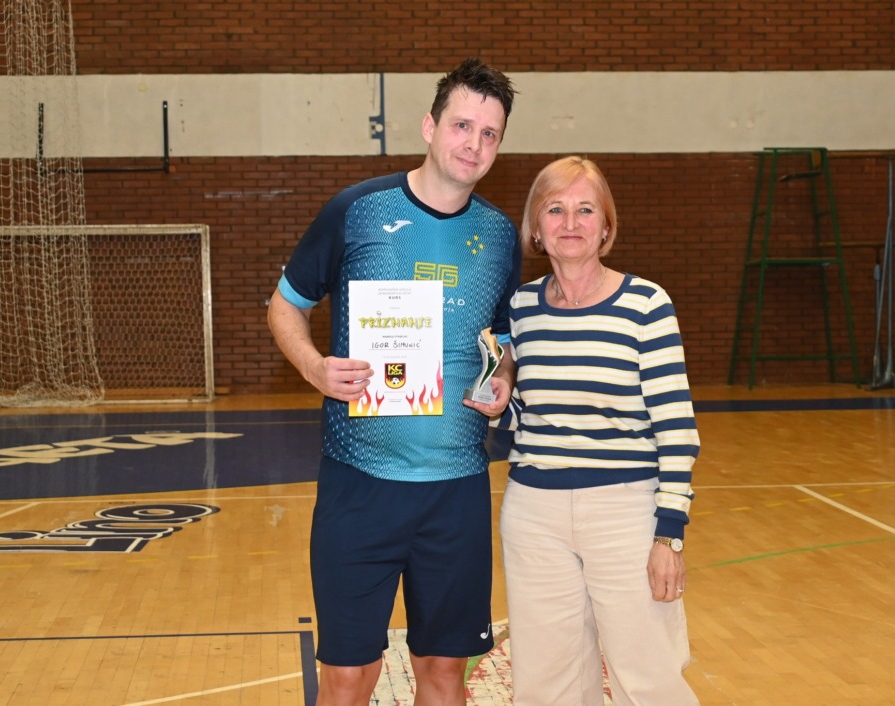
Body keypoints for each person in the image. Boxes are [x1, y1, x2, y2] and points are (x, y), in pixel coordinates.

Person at [267, 58, 519, 706]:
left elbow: (500, 338)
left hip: (456, 492)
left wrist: (502, 379)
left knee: (443, 671)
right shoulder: (356, 210)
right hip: (360, 488)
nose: (473, 143)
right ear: (429, 127)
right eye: (461, 125)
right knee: (349, 676)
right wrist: (314, 367)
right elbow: (285, 304)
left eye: (489, 133)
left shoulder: (498, 235)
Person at [498, 155, 700, 705]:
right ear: (535, 228)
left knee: (650, 682)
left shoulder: (646, 305)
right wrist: (498, 404)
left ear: (606, 226)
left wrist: (668, 535)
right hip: (534, 516)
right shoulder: (521, 309)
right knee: (546, 687)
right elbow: (527, 414)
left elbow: (676, 428)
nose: (570, 223)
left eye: (586, 210)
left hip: (626, 514)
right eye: (555, 210)